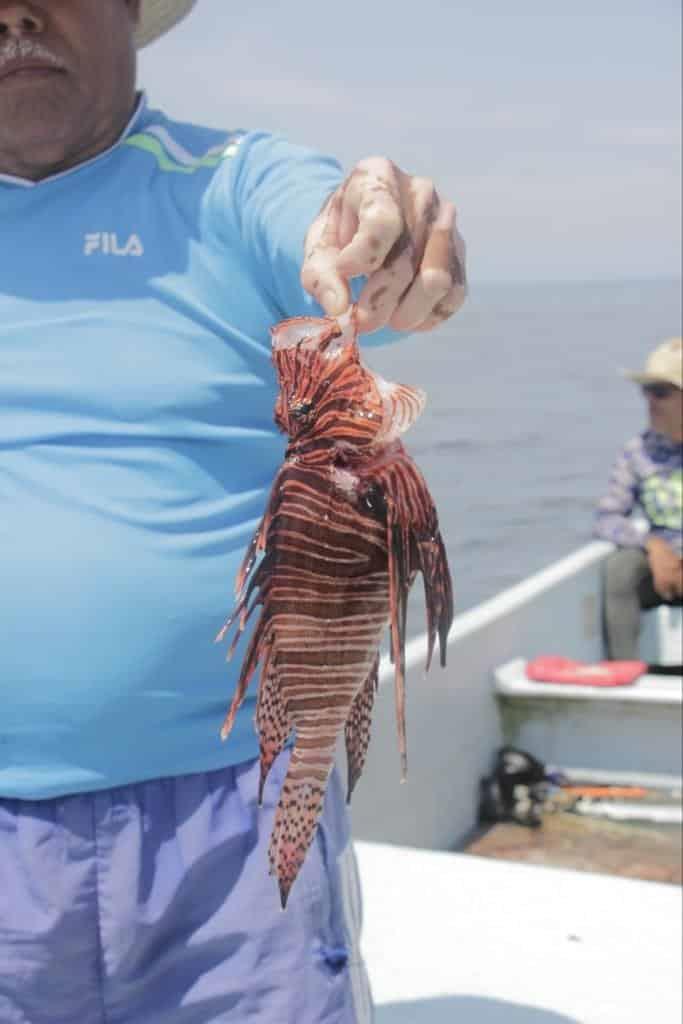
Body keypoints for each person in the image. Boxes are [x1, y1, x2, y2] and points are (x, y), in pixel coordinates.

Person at [0, 2, 467, 1022]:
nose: (15, 12)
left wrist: (382, 230)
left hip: (237, 817)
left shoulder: (232, 184)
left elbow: (339, 223)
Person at [594, 337, 683, 662]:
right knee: (619, 568)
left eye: (660, 391)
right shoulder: (637, 452)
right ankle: (624, 677)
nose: (649, 400)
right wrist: (653, 546)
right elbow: (607, 518)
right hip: (663, 568)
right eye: (646, 391)